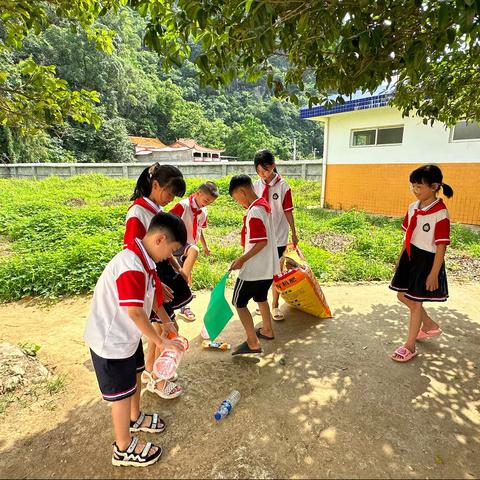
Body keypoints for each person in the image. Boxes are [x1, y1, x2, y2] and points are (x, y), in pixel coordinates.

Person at [84, 213, 187, 467]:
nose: (169, 257)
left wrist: (167, 322)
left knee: (136, 375)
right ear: (160, 239)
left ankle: (135, 416)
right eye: (171, 250)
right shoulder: (131, 265)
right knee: (120, 396)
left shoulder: (146, 261)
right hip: (111, 342)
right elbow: (135, 311)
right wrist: (161, 342)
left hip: (128, 336)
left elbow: (154, 300)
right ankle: (123, 448)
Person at [124, 163, 191, 398]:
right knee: (163, 327)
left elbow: (165, 247)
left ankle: (153, 370)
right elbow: (133, 253)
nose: (170, 198)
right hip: (152, 279)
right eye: (169, 192)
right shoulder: (138, 213)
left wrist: (176, 266)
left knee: (163, 325)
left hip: (158, 275)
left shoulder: (154, 210)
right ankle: (156, 377)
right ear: (155, 185)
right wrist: (155, 284)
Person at [389, 164, 454, 363]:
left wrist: (434, 274)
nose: (415, 191)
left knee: (415, 302)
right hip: (410, 256)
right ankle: (428, 325)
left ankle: (410, 345)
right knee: (402, 295)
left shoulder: (440, 213)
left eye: (419, 187)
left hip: (427, 261)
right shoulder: (413, 207)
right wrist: (400, 259)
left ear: (435, 186)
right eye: (413, 186)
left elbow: (441, 246)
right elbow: (407, 237)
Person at [228, 174, 280, 355]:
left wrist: (241, 260)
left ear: (242, 192)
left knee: (238, 302)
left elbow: (261, 242)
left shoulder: (254, 211)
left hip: (253, 270)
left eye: (236, 198)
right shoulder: (264, 205)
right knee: (261, 298)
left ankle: (252, 342)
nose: (238, 202)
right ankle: (267, 330)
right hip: (268, 268)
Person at [253, 149, 298, 321]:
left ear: (273, 166)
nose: (262, 174)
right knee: (261, 271)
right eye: (258, 171)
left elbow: (288, 212)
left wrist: (294, 233)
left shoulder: (283, 186)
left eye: (265, 170)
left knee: (276, 272)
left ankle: (275, 305)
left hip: (278, 236)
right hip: (260, 237)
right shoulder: (256, 185)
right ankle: (261, 302)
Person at [170, 181, 219, 320]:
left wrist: (205, 246)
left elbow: (199, 230)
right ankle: (183, 300)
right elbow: (167, 223)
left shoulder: (203, 211)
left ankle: (184, 304)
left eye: (210, 202)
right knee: (180, 275)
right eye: (206, 200)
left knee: (187, 273)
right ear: (198, 193)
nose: (207, 203)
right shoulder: (183, 206)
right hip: (176, 245)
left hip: (190, 246)